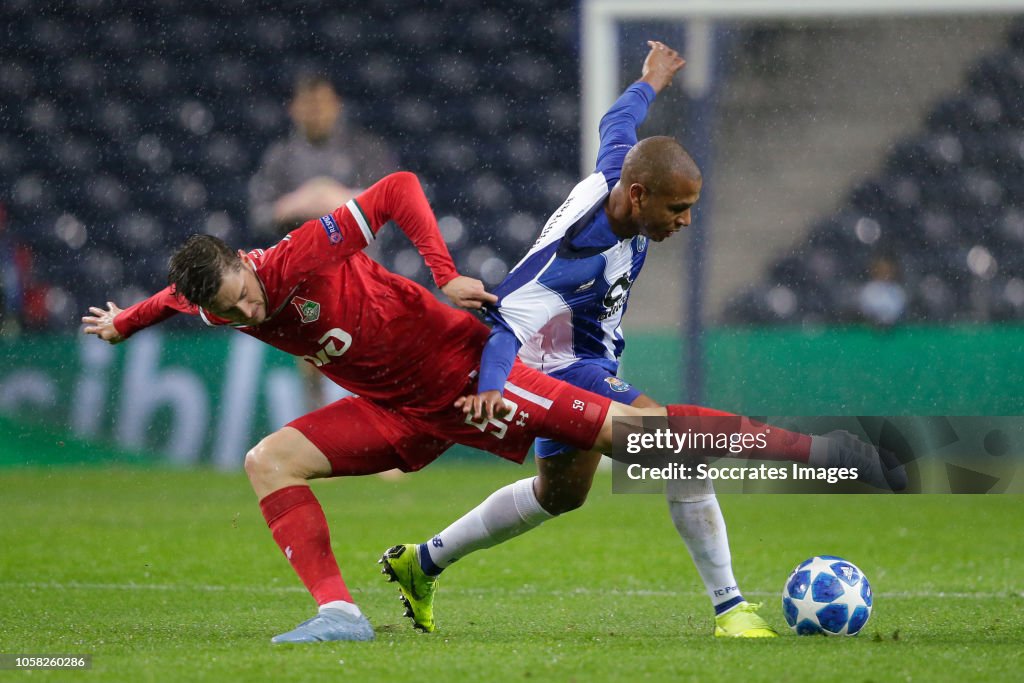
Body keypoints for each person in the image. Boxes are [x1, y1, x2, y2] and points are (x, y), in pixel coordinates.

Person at [83, 171, 901, 644]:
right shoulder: (213, 298)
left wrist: (441, 270)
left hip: (474, 380)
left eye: (245, 294)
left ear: (247, 263)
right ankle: (339, 611)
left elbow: (399, 188)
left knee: (635, 441)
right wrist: (126, 320)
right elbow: (172, 297)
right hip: (402, 413)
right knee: (269, 458)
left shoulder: (301, 249)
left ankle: (813, 450)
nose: (248, 313)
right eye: (228, 312)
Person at [376, 41, 857, 638]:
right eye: (678, 208)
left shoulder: (616, 172)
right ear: (638, 196)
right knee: (674, 446)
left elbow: (616, 122)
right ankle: (731, 609)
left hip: (582, 361)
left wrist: (650, 79)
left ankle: (420, 563)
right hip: (559, 373)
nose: (685, 221)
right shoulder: (570, 259)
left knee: (561, 496)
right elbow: (503, 324)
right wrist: (495, 388)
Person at [249, 73, 401, 413]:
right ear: (293, 109)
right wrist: (296, 204)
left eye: (322, 103)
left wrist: (338, 200)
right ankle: (315, 428)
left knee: (373, 352)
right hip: (304, 275)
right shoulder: (280, 158)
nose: (316, 111)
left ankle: (385, 434)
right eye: (308, 104)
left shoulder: (366, 149)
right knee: (312, 357)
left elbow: (391, 201)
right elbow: (259, 213)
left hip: (362, 268)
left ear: (337, 105)